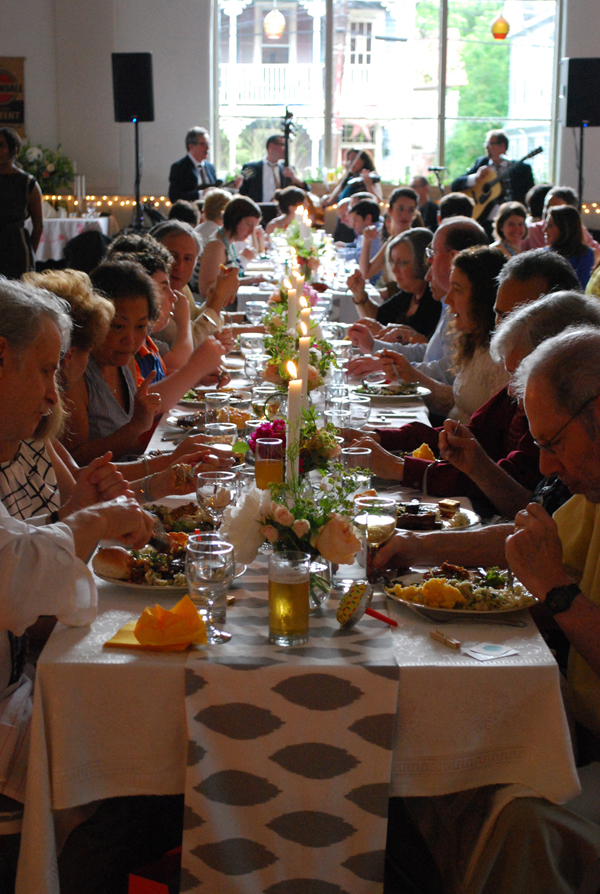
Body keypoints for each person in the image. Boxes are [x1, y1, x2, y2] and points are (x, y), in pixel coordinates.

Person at [0, 276, 155, 803]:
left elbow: (17, 547)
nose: (53, 392)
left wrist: (76, 515)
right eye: (47, 370)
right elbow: (15, 581)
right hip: (11, 716)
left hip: (22, 686)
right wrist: (92, 524)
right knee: (152, 749)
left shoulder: (22, 443)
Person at [348, 248, 582, 517]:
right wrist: (378, 438)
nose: (504, 331)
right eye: (501, 315)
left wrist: (400, 467)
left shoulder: (558, 396)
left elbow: (528, 504)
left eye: (517, 320)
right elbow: (471, 435)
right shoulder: (518, 375)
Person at [348, 216, 488, 387]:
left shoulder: (468, 305)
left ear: (453, 257)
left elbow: (448, 372)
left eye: (433, 253)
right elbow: (429, 354)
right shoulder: (447, 299)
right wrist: (375, 346)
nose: (428, 260)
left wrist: (390, 367)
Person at [378, 246, 508, 423]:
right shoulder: (475, 343)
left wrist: (414, 377)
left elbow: (477, 430)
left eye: (457, 289)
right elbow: (459, 404)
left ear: (483, 299)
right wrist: (412, 377)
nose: (448, 299)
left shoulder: (501, 361)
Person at [347, 228, 441, 342]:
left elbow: (422, 351)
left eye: (402, 263)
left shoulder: (435, 300)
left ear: (423, 264)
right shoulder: (410, 294)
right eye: (393, 262)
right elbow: (379, 318)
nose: (394, 270)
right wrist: (359, 295)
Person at [451, 129, 534, 235]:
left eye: (490, 144)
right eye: (486, 144)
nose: (486, 147)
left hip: (510, 224)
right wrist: (475, 178)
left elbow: (528, 195)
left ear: (502, 146)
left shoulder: (521, 169)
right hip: (483, 221)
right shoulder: (481, 163)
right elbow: (455, 185)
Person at [197, 195, 262, 297]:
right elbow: (206, 289)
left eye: (255, 226)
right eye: (248, 224)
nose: (251, 232)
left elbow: (225, 280)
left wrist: (251, 280)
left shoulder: (227, 242)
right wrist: (245, 281)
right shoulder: (216, 246)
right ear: (234, 219)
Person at [0, 127, 43, 280]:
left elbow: (38, 225)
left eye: (2, 145)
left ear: (13, 149)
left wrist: (30, 252)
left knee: (20, 293)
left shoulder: (27, 182)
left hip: (16, 244)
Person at [522, 186, 600, 261]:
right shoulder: (531, 231)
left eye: (556, 208)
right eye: (547, 207)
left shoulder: (578, 231)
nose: (549, 212)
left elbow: (597, 253)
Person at [358, 187, 418, 284]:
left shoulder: (415, 241)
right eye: (401, 209)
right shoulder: (393, 240)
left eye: (410, 210)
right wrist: (367, 240)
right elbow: (366, 273)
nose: (405, 214)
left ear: (414, 214)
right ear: (390, 210)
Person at [238, 135, 308, 204]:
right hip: (258, 211)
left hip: (282, 212)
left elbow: (306, 189)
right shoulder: (251, 168)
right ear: (271, 146)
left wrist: (294, 177)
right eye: (283, 145)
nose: (286, 149)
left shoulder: (288, 169)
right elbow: (241, 191)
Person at [544, 203, 596, 288]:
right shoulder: (544, 254)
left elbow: (581, 286)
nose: (544, 230)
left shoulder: (584, 254)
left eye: (550, 225)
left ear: (565, 228)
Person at [168, 127, 218, 203]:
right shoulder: (179, 167)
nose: (207, 148)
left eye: (208, 144)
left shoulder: (210, 167)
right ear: (191, 146)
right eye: (203, 144)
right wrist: (201, 194)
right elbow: (175, 196)